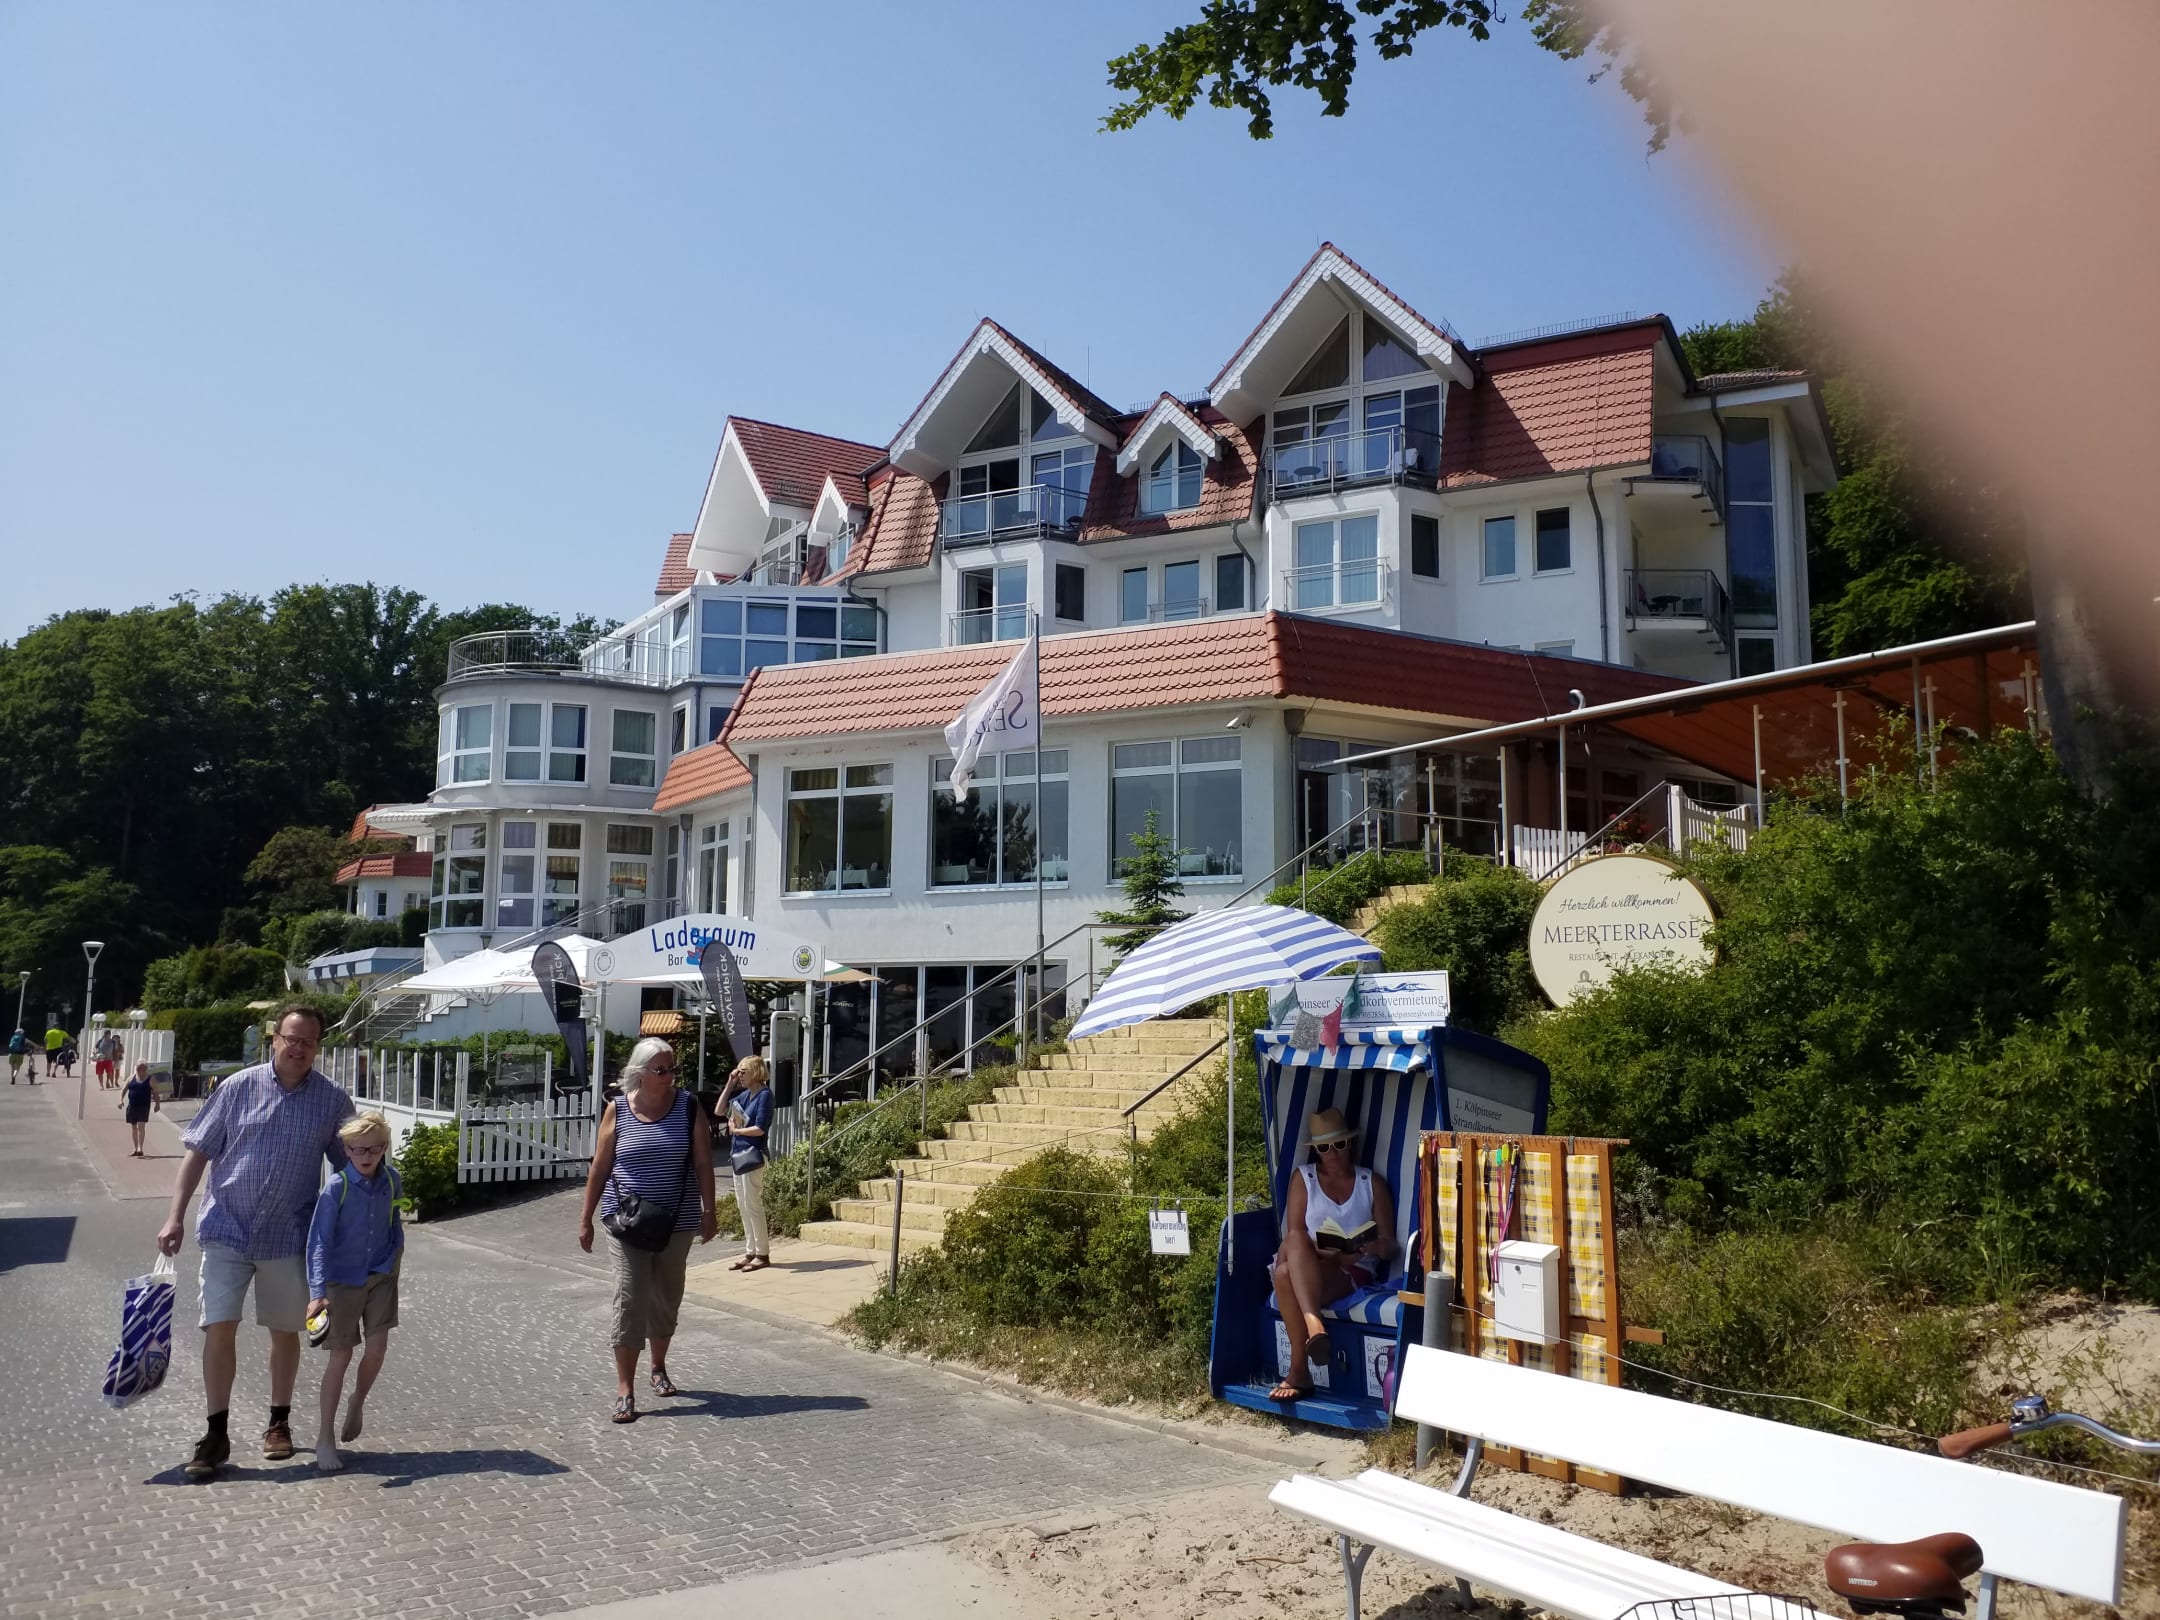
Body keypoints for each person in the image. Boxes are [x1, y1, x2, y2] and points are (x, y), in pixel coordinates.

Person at [156, 1004, 355, 1481]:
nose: (298, 1048)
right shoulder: (237, 1087)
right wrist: (174, 1216)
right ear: (274, 1038)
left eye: (308, 1041)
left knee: (285, 1331)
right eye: (291, 1038)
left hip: (289, 1234)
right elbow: (198, 1153)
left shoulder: (332, 1100)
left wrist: (360, 1224)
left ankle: (278, 1422)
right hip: (226, 1227)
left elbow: (352, 1165)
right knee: (218, 1326)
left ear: (317, 1047)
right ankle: (216, 1433)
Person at [577, 1037, 716, 1423]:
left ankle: (658, 1366)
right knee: (630, 1296)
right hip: (626, 1220)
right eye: (661, 1070)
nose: (669, 1076)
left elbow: (704, 1162)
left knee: (666, 1296)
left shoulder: (688, 1107)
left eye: (672, 1069)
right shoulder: (618, 1109)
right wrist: (585, 1218)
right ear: (640, 1072)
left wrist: (710, 1211)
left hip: (677, 1220)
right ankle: (625, 1388)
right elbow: (600, 1166)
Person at [1267, 1108, 1396, 1403]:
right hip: (1312, 1261)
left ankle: (1299, 1370)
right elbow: (1293, 1236)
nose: (1332, 1153)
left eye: (1338, 1145)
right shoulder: (1305, 1178)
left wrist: (1373, 1247)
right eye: (1324, 1148)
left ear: (1349, 1143)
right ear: (1316, 1150)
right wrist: (1326, 1252)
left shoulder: (1371, 1183)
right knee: (1294, 1243)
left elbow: (1391, 1245)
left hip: (1352, 1271)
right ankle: (1314, 1324)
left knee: (1285, 1275)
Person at [305, 1111, 403, 1474]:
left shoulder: (392, 1180)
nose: (367, 1156)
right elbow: (318, 1241)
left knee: (377, 1349)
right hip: (341, 1282)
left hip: (380, 1276)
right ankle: (324, 1437)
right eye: (359, 1149)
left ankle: (357, 1401)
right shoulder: (337, 1187)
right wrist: (317, 1293)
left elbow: (395, 1221)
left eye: (375, 1149)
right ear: (346, 1150)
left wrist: (395, 1256)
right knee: (341, 1356)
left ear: (384, 1148)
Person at [719, 1056, 775, 1272]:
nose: (739, 1075)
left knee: (753, 1203)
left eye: (743, 1072)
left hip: (753, 1154)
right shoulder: (745, 1095)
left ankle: (762, 1253)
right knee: (742, 1204)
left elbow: (760, 1128)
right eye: (739, 1072)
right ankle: (750, 1251)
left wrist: (737, 1131)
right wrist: (729, 1084)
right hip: (739, 1155)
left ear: (756, 1072)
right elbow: (719, 1110)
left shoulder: (764, 1095)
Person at [120, 1060, 160, 1156]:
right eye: (137, 1068)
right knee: (134, 1127)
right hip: (132, 1106)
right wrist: (121, 1101)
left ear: (145, 1069)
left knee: (141, 1126)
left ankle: (140, 1148)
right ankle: (135, 1148)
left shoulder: (150, 1079)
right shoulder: (131, 1077)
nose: (138, 1070)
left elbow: (156, 1093)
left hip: (144, 1106)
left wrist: (157, 1104)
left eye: (140, 1068)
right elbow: (124, 1089)